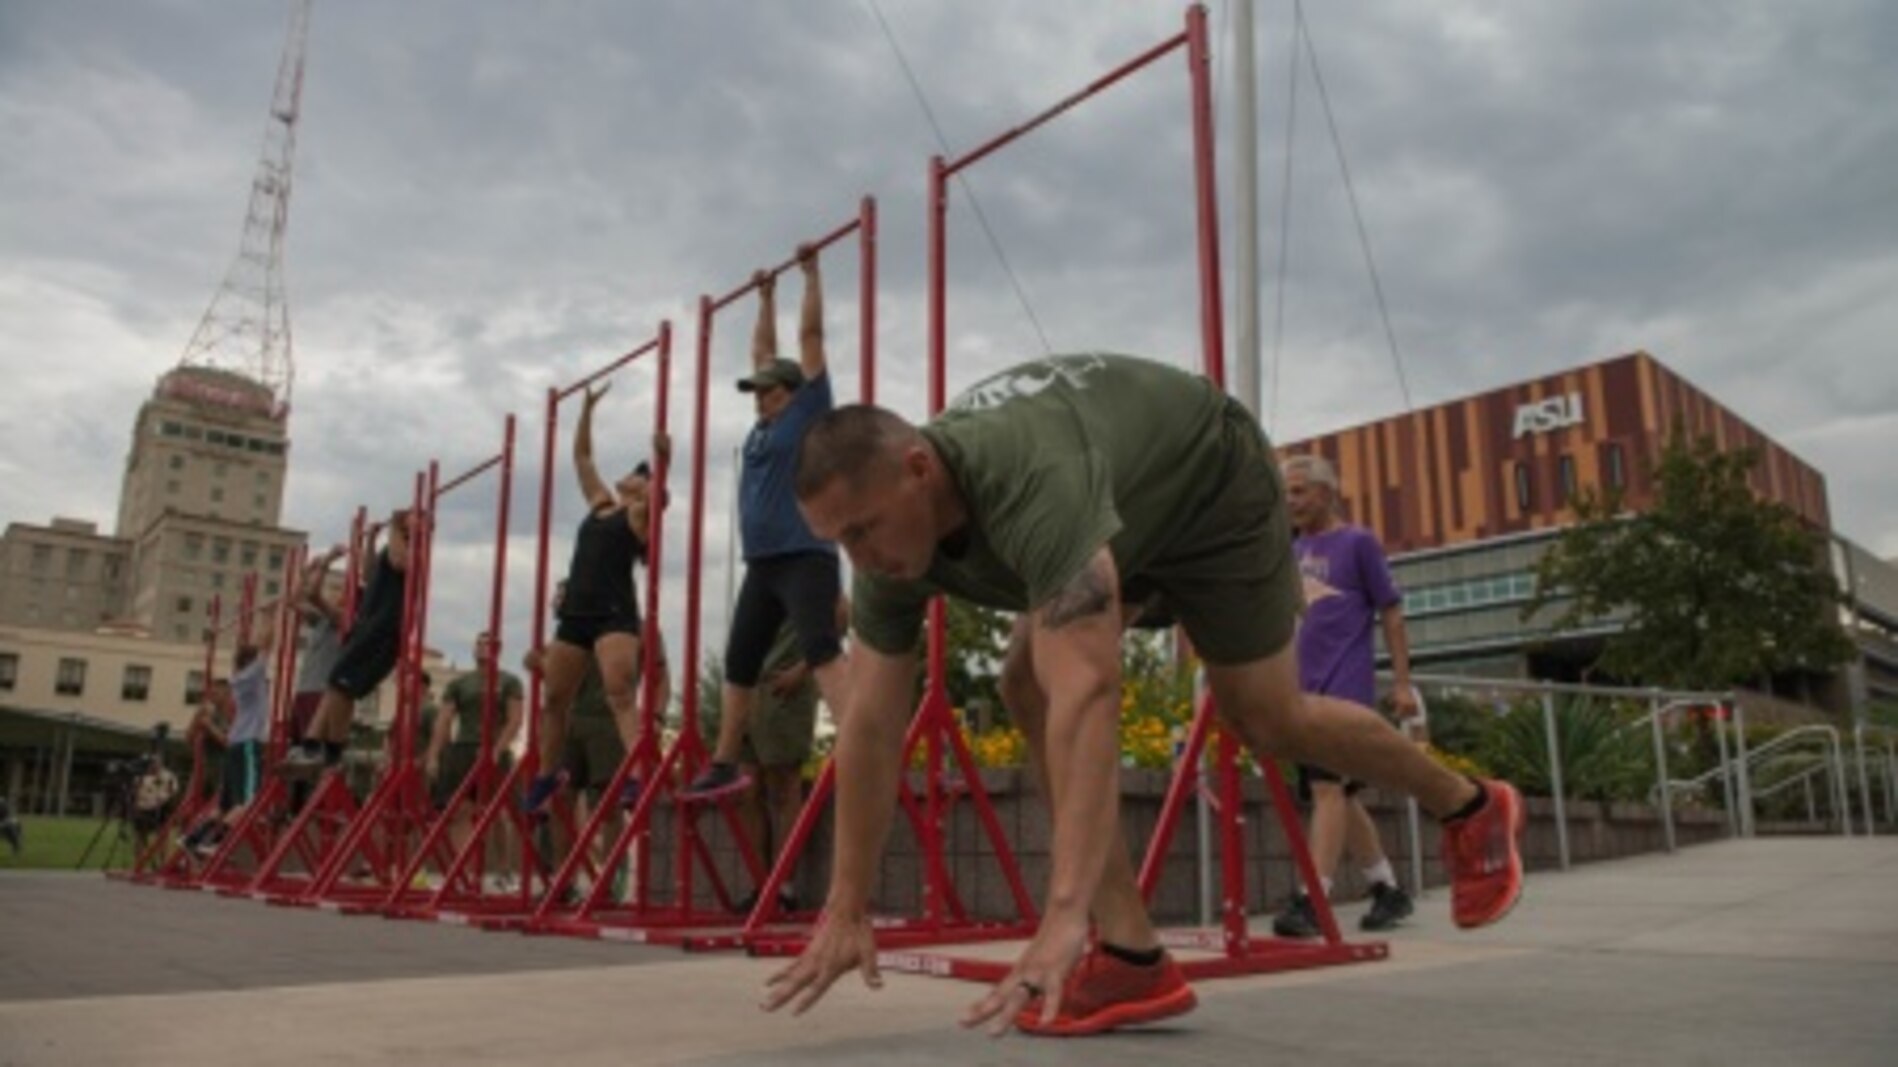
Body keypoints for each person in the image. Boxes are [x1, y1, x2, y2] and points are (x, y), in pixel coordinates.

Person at [762, 353, 1524, 1037]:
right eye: (841, 541)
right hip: (1122, 500)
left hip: (1211, 484)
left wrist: (1060, 917)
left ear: (920, 469)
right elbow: (868, 723)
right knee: (1024, 680)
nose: (861, 557)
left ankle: (1470, 804)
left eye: (864, 530)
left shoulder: (1028, 481)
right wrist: (848, 903)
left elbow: (1090, 689)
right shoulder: (892, 555)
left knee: (1264, 714)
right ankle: (1131, 954)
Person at [684, 247, 851, 798]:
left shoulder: (807, 412)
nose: (759, 400)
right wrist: (764, 296)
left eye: (768, 391)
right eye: (756, 393)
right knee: (739, 663)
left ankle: (863, 741)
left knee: (822, 650)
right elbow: (763, 349)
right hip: (763, 563)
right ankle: (727, 760)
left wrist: (809, 276)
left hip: (805, 554)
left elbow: (809, 342)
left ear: (793, 393)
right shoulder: (762, 425)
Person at [1272, 453, 1418, 937]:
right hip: (1303, 689)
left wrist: (1401, 683)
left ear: (1327, 492)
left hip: (1346, 687)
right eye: (1286, 492)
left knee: (1328, 788)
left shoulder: (1358, 543)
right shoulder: (1291, 551)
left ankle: (1311, 899)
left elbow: (1392, 613)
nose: (1290, 501)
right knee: (1343, 794)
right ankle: (1386, 889)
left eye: (1299, 491)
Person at [517, 392, 668, 817]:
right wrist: (586, 410)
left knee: (619, 691)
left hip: (614, 613)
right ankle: (548, 775)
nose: (633, 474)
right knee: (553, 700)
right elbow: (582, 457)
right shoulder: (602, 503)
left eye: (641, 474)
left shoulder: (638, 515)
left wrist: (662, 462)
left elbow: (661, 499)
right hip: (576, 613)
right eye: (636, 471)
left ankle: (639, 774)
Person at [281, 512, 412, 778]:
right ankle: (324, 752)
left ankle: (319, 749)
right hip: (363, 640)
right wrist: (373, 540)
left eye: (345, 593)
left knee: (338, 686)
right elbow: (370, 571)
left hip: (379, 634)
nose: (341, 594)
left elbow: (399, 562)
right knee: (339, 687)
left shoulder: (346, 617)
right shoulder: (385, 567)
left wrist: (398, 527)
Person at [732, 605, 839, 914]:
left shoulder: (814, 562)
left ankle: (784, 887)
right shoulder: (759, 572)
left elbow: (839, 617)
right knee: (746, 789)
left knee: (783, 787)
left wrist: (803, 668)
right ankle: (760, 884)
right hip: (751, 688)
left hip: (785, 687)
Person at [426, 634, 525, 886]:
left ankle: (504, 871)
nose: (482, 648)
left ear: (498, 650)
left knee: (496, 812)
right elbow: (444, 719)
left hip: (496, 751)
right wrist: (434, 755)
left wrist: (497, 748)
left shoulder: (510, 681)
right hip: (463, 750)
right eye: (479, 643)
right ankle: (463, 871)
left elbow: (515, 720)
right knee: (460, 811)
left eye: (489, 644)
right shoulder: (460, 684)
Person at [188, 610, 278, 857]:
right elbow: (267, 644)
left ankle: (194, 839)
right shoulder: (254, 674)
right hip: (248, 745)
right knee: (248, 803)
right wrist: (270, 616)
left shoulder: (237, 678)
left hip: (235, 745)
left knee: (225, 805)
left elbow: (258, 647)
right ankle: (214, 842)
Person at [289, 543, 349, 744]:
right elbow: (294, 601)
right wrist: (305, 573)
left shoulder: (342, 619)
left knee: (313, 751)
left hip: (320, 694)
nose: (334, 593)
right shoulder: (320, 620)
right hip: (304, 691)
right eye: (333, 589)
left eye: (339, 590)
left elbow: (313, 595)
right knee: (298, 750)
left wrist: (327, 562)